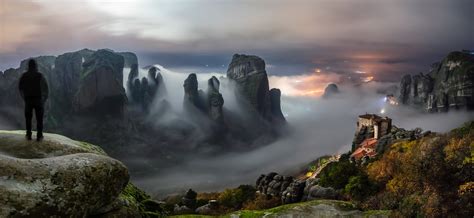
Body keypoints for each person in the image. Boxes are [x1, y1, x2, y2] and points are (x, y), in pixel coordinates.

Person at [19, 59, 49, 141]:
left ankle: (28, 135)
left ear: (28, 66)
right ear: (36, 66)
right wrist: (43, 100)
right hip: (38, 100)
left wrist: (24, 98)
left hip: (28, 100)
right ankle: (39, 136)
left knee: (28, 119)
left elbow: (20, 88)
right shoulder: (40, 75)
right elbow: (46, 89)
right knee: (39, 119)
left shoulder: (24, 76)